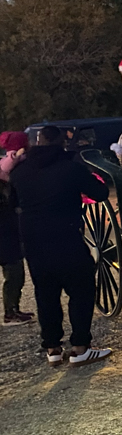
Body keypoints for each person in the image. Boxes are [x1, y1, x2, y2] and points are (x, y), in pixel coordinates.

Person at [9, 126, 112, 366]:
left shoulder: (20, 172)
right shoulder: (71, 168)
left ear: (37, 142)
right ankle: (80, 347)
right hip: (67, 238)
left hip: (34, 243)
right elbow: (100, 193)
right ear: (61, 144)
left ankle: (53, 348)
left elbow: (14, 203)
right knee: (81, 291)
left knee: (45, 295)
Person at [0, 131, 32, 327]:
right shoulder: (10, 172)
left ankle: (13, 308)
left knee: (15, 273)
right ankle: (10, 312)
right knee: (14, 272)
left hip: (8, 231)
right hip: (5, 233)